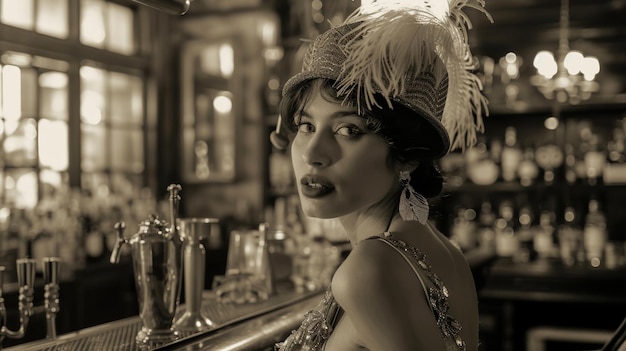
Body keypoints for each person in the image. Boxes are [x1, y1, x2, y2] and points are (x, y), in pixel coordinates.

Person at [271, 1, 491, 350]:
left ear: (407, 157)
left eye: (349, 130)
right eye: (306, 126)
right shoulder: (438, 248)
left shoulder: (368, 272)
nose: (313, 154)